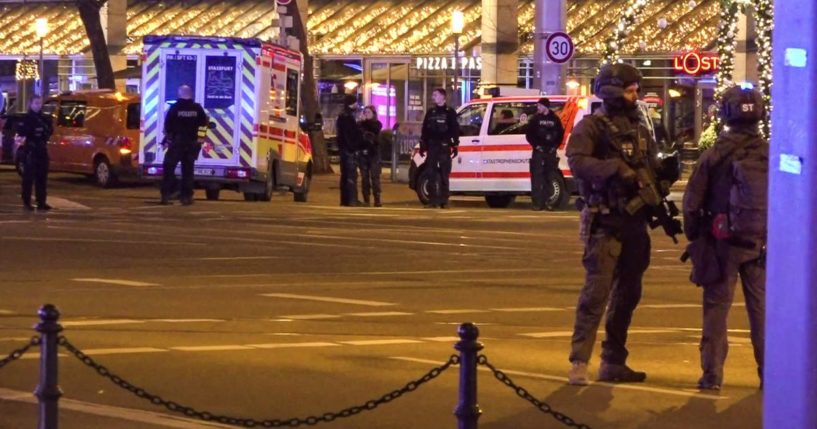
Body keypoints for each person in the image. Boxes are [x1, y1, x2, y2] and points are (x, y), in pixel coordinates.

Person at [566, 63, 669, 385]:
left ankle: (613, 360)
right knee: (595, 295)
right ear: (612, 91)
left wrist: (662, 180)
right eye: (630, 90)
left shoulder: (641, 126)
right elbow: (577, 162)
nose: (636, 95)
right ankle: (579, 361)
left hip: (634, 223)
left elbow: (650, 163)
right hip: (606, 222)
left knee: (628, 295)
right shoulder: (592, 127)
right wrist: (614, 169)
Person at [682, 85, 767, 391]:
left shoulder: (714, 155)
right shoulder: (770, 152)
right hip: (760, 244)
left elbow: (692, 202)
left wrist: (694, 235)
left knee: (717, 310)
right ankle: (768, 374)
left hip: (722, 244)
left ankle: (712, 375)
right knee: (761, 312)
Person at [161, 85, 208, 206]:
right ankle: (186, 196)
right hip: (192, 144)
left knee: (168, 167)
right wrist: (200, 139)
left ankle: (167, 193)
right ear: (190, 94)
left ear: (179, 94)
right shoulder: (197, 108)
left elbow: (168, 126)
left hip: (177, 143)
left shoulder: (174, 108)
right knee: (188, 171)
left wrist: (169, 139)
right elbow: (203, 125)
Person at [419, 88, 459, 209]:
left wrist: (455, 144)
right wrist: (423, 144)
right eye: (433, 95)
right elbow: (425, 129)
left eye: (435, 95)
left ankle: (444, 200)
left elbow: (454, 128)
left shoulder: (449, 112)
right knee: (430, 172)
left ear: (443, 97)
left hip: (444, 146)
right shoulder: (431, 112)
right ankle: (432, 200)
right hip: (432, 146)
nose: (433, 97)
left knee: (444, 173)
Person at [525, 98, 565, 211]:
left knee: (549, 177)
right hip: (538, 151)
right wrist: (536, 146)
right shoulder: (535, 119)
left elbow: (560, 135)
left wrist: (554, 147)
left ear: (545, 106)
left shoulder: (555, 119)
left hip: (550, 152)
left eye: (540, 106)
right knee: (537, 178)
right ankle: (537, 203)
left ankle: (548, 202)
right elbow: (529, 134)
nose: (538, 108)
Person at [17, 95, 53, 211]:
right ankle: (27, 202)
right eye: (36, 103)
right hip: (31, 151)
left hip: (41, 149)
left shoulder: (43, 118)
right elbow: (22, 132)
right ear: (31, 104)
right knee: (28, 178)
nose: (38, 105)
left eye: (39, 103)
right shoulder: (27, 118)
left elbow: (49, 131)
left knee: (42, 177)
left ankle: (41, 201)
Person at [336, 94, 363, 206]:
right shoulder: (348, 118)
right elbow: (349, 135)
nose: (357, 105)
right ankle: (352, 199)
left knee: (345, 175)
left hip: (344, 150)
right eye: (355, 103)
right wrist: (353, 147)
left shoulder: (343, 116)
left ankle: (345, 199)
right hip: (348, 150)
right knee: (351, 175)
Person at [358, 105, 383, 207]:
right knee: (364, 177)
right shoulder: (360, 124)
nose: (366, 114)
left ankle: (377, 199)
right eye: (365, 112)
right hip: (363, 154)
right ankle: (366, 199)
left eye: (368, 112)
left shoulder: (377, 124)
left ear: (373, 114)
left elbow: (375, 129)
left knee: (374, 177)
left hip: (373, 154)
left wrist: (365, 122)